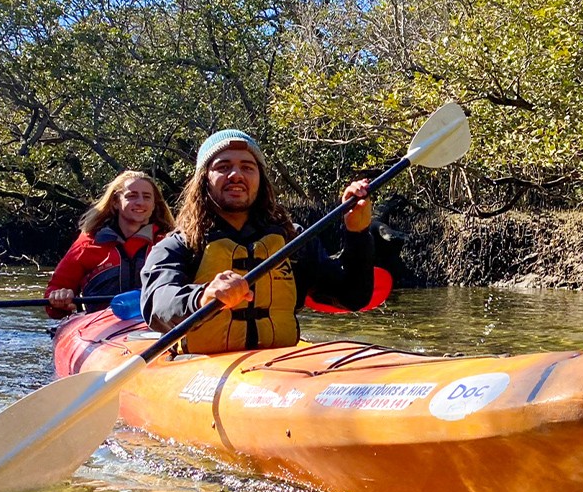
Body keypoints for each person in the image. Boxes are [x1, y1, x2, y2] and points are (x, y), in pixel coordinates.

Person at [141, 130, 374, 353]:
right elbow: (157, 305)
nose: (236, 175)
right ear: (204, 180)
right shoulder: (178, 245)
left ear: (260, 179)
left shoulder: (292, 241)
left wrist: (357, 232)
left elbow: (353, 297)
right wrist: (202, 297)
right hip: (201, 368)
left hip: (277, 367)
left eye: (247, 167)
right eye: (223, 167)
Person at [45, 170, 174, 317]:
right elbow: (54, 297)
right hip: (100, 323)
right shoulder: (88, 243)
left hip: (156, 322)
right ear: (115, 202)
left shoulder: (169, 243)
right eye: (131, 196)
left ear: (154, 205)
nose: (140, 202)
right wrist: (60, 298)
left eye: (147, 197)